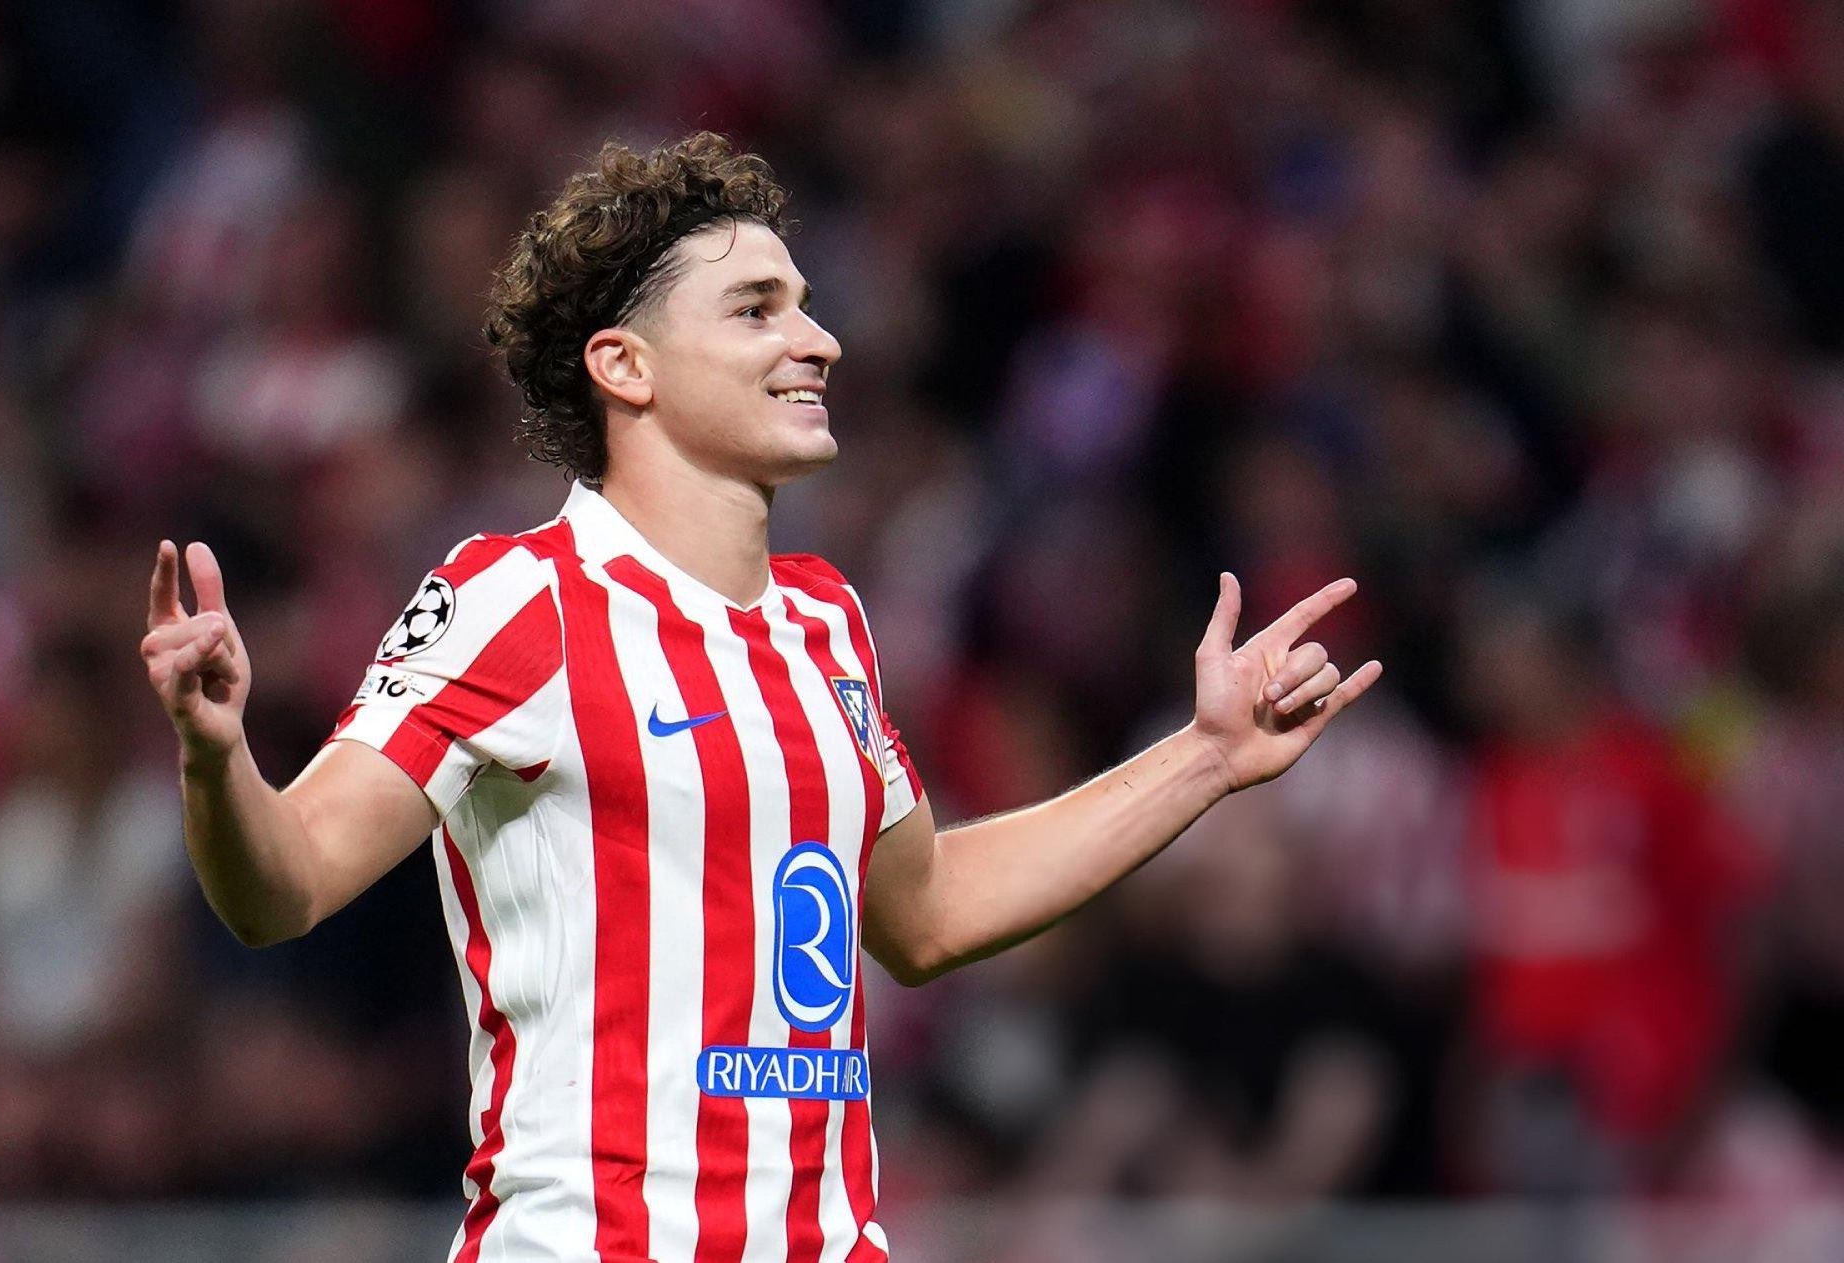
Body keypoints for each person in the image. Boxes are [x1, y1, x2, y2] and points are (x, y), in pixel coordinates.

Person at [137, 132, 1382, 1263]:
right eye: (755, 310)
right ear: (624, 365)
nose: (817, 340)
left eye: (805, 304)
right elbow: (283, 886)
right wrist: (214, 754)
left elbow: (927, 914)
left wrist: (1204, 757)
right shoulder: (515, 601)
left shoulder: (825, 621)